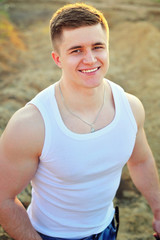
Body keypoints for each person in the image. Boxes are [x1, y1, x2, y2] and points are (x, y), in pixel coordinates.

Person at [0, 2, 160, 240]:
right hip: (50, 235)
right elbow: (3, 199)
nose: (90, 59)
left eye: (98, 47)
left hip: (108, 229)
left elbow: (141, 161)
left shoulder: (130, 107)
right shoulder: (31, 124)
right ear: (57, 59)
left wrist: (158, 211)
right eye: (76, 50)